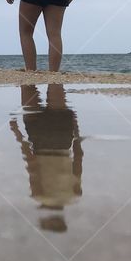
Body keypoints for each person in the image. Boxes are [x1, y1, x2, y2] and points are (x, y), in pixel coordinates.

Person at [10, 84, 83, 233]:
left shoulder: (75, 195)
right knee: (28, 87)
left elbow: (79, 156)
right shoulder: (39, 196)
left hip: (62, 138)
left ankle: (47, 73)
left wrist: (75, 126)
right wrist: (16, 132)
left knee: (55, 84)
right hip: (39, 140)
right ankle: (34, 75)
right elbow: (31, 163)